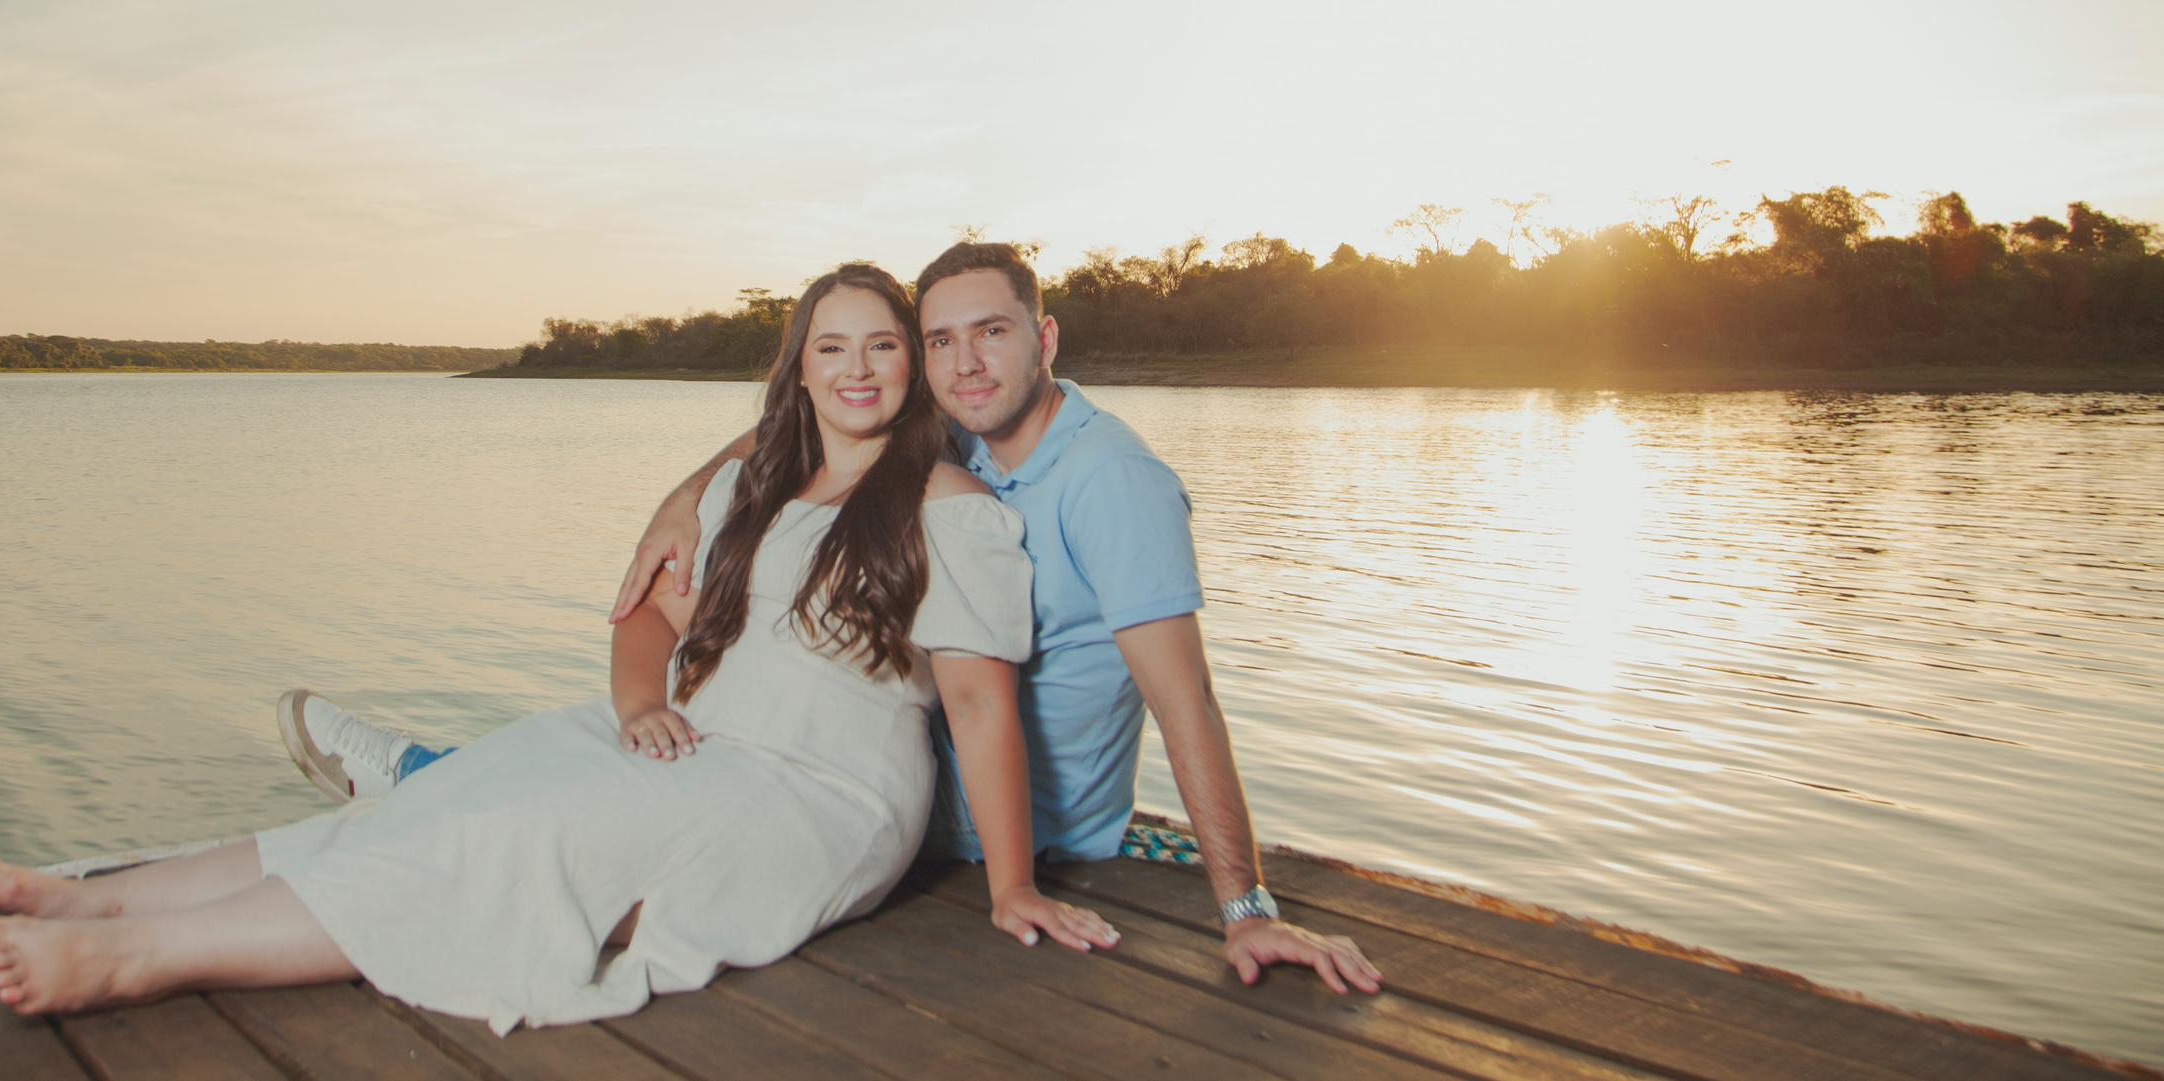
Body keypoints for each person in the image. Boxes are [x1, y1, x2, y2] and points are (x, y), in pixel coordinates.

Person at [0, 264, 1118, 1027]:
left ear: (910, 366)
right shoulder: (744, 491)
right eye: (832, 349)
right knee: (427, 800)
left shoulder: (947, 508)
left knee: (512, 835)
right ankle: (91, 901)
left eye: (882, 348)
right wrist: (634, 708)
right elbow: (647, 620)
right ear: (798, 368)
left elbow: (975, 707)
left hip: (819, 790)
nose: (858, 370)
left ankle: (140, 958)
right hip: (692, 739)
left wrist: (1011, 881)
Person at [292, 241, 1383, 996]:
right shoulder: (963, 439)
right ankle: (450, 780)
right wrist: (686, 492)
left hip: (947, 816)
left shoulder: (1108, 483)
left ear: (1043, 336)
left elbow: (1183, 694)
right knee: (649, 724)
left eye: (990, 333)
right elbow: (806, 428)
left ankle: (426, 780)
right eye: (941, 339)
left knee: (607, 812)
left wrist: (1244, 905)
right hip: (867, 759)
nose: (965, 362)